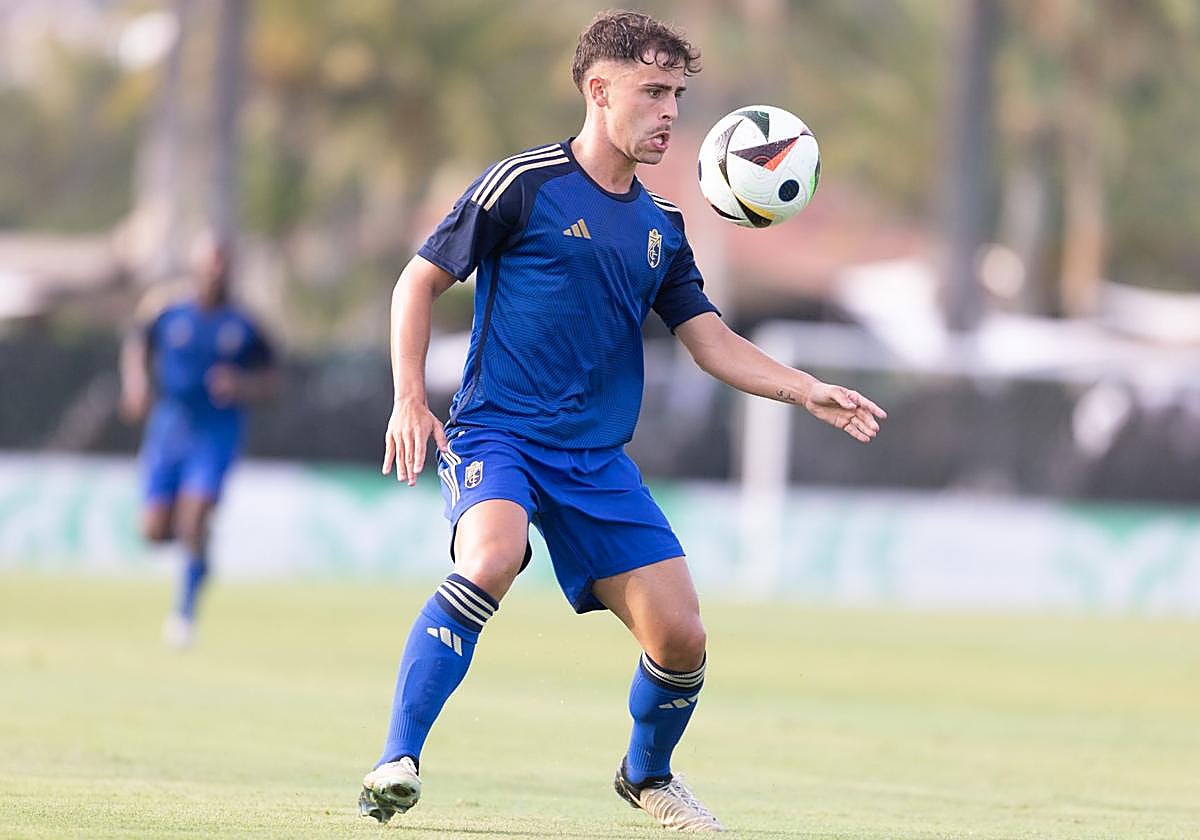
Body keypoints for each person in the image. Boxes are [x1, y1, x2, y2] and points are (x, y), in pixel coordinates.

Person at [359, 10, 886, 833]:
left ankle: (647, 777)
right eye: (653, 91)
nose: (670, 111)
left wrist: (803, 388)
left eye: (677, 92)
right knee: (493, 554)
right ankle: (397, 758)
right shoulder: (522, 185)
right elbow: (416, 281)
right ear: (598, 91)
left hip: (596, 461)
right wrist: (408, 397)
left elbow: (710, 341)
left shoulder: (662, 228)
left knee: (681, 636)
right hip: (499, 434)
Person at [119, 231, 279, 649]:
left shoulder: (243, 325)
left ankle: (184, 614)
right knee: (154, 530)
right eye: (209, 262)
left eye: (222, 263)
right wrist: (136, 385)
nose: (215, 270)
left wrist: (241, 384)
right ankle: (199, 553)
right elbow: (137, 344)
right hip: (169, 426)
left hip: (216, 431)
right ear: (196, 267)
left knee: (193, 517)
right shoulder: (167, 310)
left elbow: (273, 380)